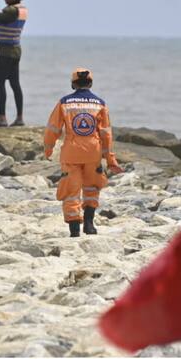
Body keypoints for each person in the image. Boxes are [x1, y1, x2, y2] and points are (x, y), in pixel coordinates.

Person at [43, 68, 124, 237]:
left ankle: (74, 231)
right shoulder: (100, 104)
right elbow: (106, 134)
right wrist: (110, 159)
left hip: (71, 154)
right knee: (92, 188)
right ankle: (89, 224)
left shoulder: (64, 102)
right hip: (92, 154)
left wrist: (48, 147)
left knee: (71, 191)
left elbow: (53, 128)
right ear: (91, 83)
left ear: (73, 84)